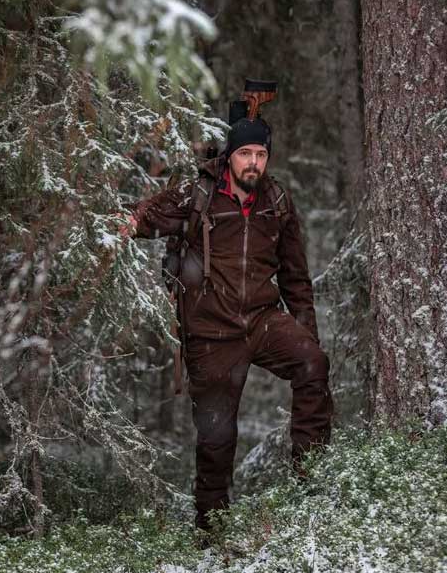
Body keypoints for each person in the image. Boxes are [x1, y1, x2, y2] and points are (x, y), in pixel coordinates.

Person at [121, 116, 334, 535]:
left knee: (313, 363)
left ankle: (311, 485)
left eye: (260, 155)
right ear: (230, 157)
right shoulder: (197, 194)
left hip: (262, 320)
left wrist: (306, 332)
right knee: (217, 438)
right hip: (211, 330)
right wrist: (118, 223)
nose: (253, 163)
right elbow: (140, 218)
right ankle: (211, 529)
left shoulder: (277, 201)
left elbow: (295, 277)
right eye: (245, 154)